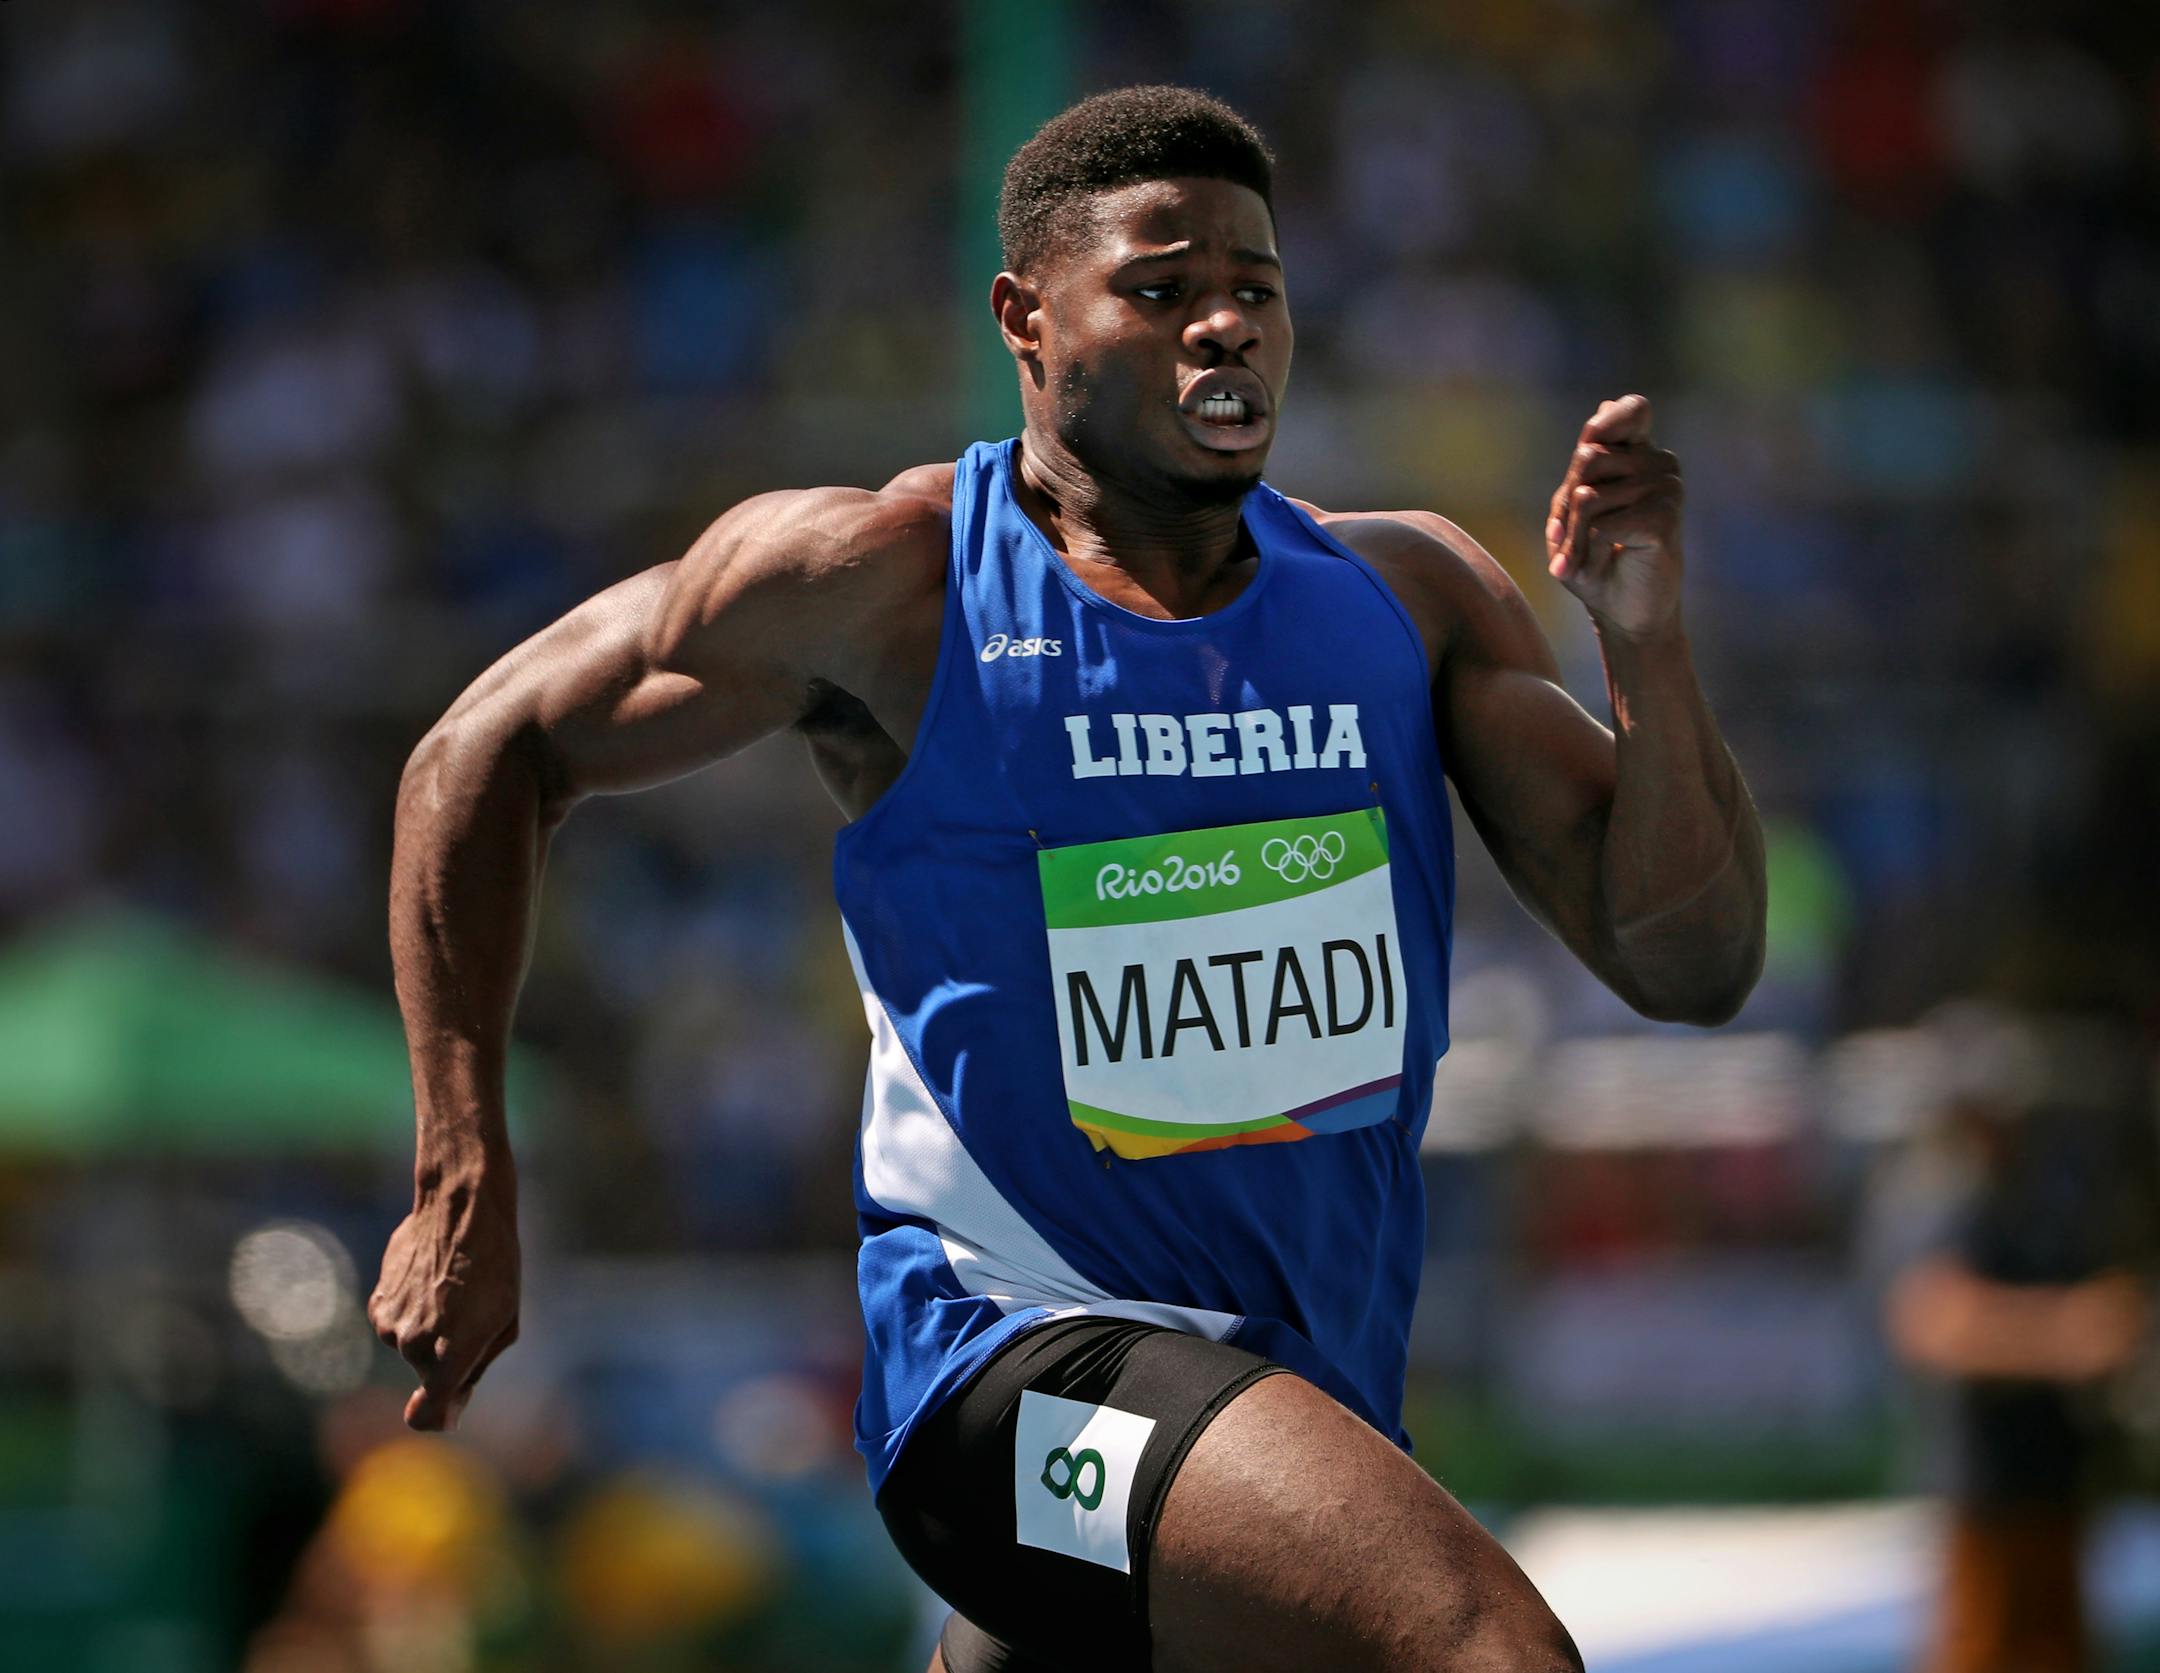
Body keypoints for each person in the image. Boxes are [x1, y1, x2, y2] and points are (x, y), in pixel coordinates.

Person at [368, 85, 1766, 1673]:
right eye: (1164, 289)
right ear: (1027, 320)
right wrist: (458, 1161)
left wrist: (1645, 647)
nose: (1226, 325)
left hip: (1288, 1401)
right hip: (1005, 1365)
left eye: (1258, 287)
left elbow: (1692, 961)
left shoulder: (1410, 599)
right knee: (1481, 1648)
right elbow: (479, 753)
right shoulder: (887, 583)